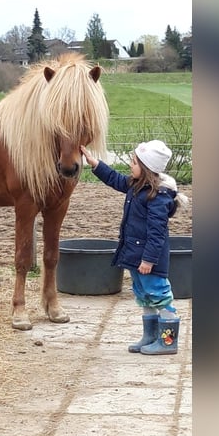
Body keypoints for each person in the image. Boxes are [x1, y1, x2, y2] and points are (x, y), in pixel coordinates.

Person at [80, 140, 186, 355]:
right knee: (144, 295)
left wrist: (148, 260)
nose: (130, 164)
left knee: (159, 295)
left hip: (148, 260)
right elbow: (115, 179)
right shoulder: (137, 185)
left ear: (146, 168)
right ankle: (150, 336)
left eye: (134, 161)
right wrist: (95, 163)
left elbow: (156, 234)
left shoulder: (157, 198)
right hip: (135, 256)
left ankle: (167, 342)